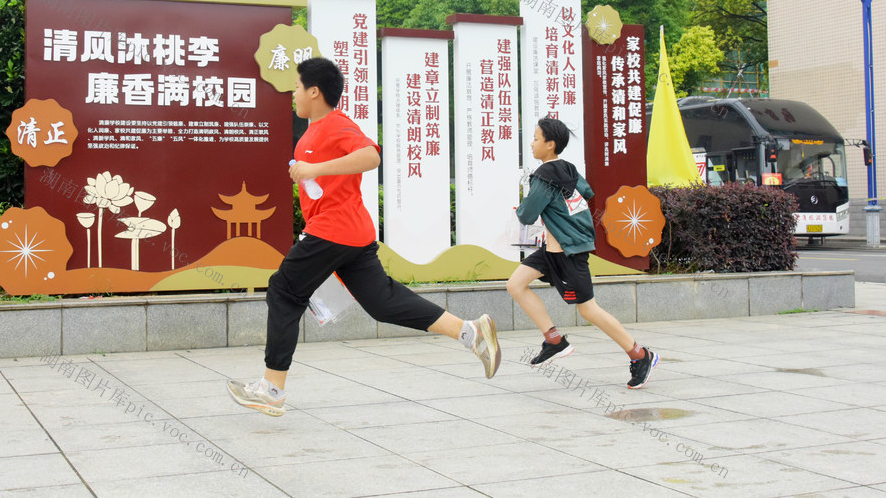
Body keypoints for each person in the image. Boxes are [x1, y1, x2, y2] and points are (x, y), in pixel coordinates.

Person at [228, 57, 502, 416]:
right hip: (350, 233)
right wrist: (307, 176)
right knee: (382, 302)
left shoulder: (335, 124)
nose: (293, 93)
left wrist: (313, 169)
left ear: (314, 91)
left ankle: (272, 388)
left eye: (297, 87)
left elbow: (371, 156)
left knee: (283, 289)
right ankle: (471, 332)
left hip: (334, 230)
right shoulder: (311, 133)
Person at [506, 117, 659, 390]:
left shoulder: (543, 176)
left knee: (588, 309)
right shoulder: (569, 169)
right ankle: (554, 340)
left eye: (536, 138)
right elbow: (586, 191)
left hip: (568, 252)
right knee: (516, 284)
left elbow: (527, 215)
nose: (531, 143)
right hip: (552, 250)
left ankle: (640, 354)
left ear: (550, 145)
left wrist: (524, 208)